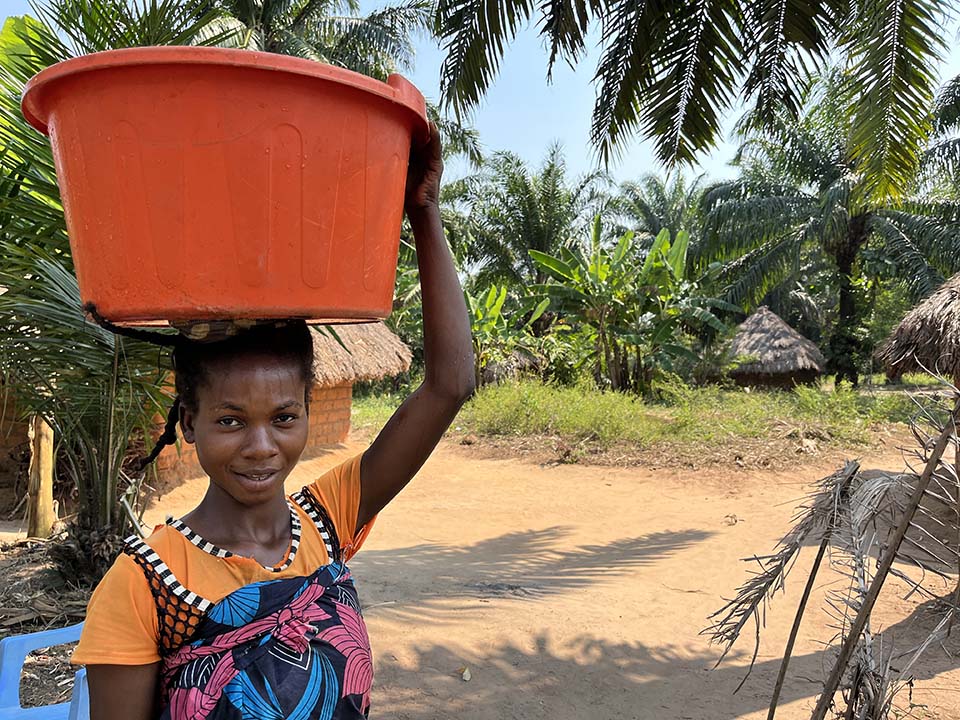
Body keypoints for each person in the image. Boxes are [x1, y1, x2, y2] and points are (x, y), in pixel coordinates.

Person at [71, 124, 475, 720]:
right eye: (231, 421)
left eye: (284, 416)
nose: (262, 446)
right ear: (189, 422)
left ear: (308, 411)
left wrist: (424, 213)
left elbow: (450, 383)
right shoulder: (143, 585)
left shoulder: (329, 517)